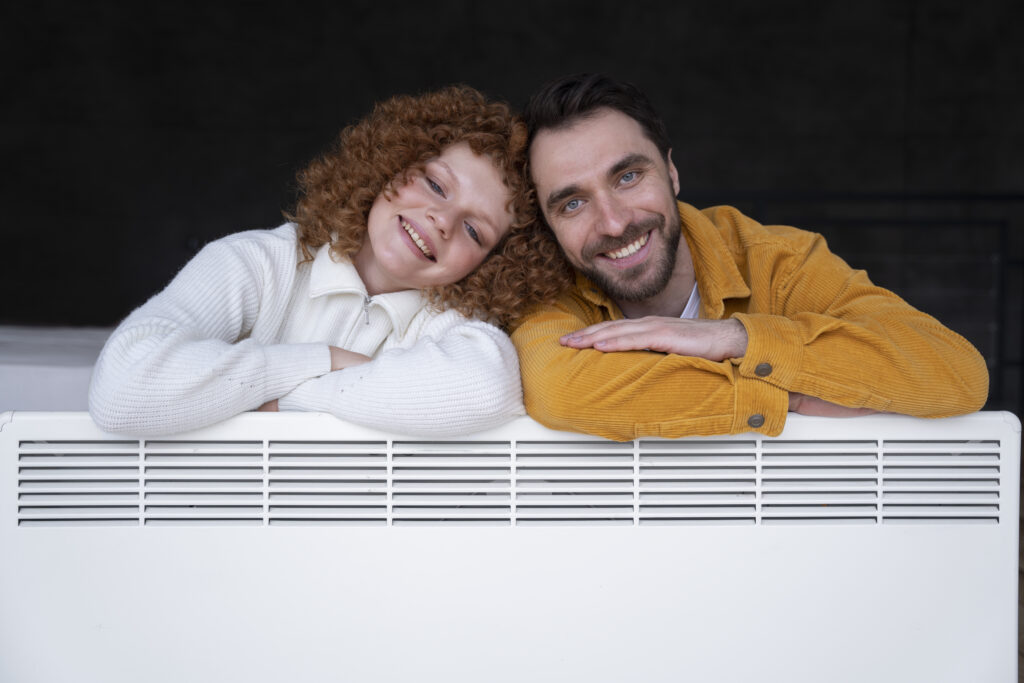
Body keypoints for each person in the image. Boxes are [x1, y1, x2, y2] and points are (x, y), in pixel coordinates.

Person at [511, 73, 989, 441]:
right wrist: (793, 395)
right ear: (548, 224)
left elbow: (955, 370)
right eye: (572, 203)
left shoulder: (778, 261)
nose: (613, 223)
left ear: (672, 172)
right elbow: (560, 389)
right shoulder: (544, 287)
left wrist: (735, 339)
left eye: (629, 177)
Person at [89, 86, 567, 437]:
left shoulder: (450, 321)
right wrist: (326, 360)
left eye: (473, 230)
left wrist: (290, 400)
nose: (442, 219)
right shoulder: (259, 264)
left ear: (492, 264)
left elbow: (484, 388)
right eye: (436, 185)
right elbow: (123, 390)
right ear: (390, 165)